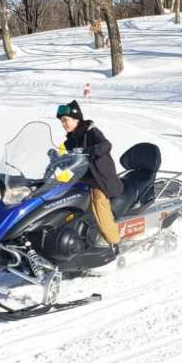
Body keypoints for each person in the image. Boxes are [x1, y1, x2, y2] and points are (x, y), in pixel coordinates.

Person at [56, 100, 123, 254]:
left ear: (76, 119)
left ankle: (114, 244)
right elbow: (69, 160)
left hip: (100, 180)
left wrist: (93, 151)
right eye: (61, 122)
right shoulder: (69, 141)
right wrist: (57, 160)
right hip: (82, 180)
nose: (63, 124)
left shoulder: (91, 132)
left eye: (65, 120)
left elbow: (106, 145)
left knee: (99, 203)